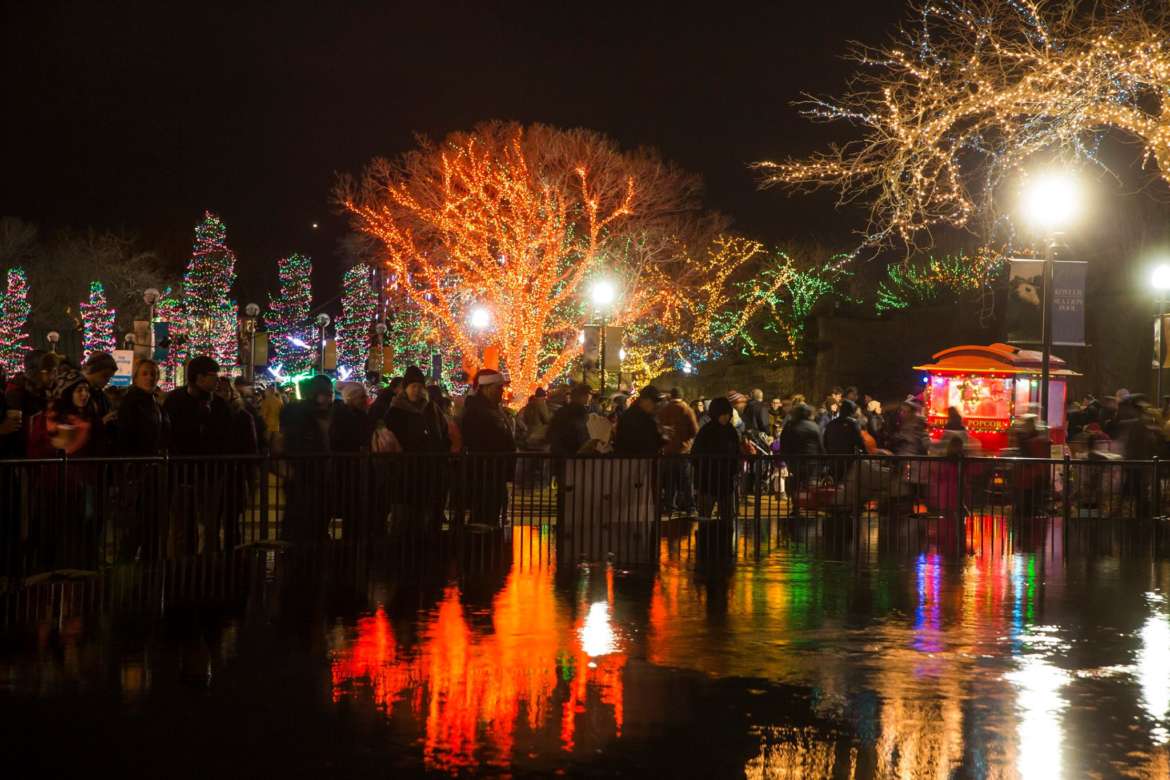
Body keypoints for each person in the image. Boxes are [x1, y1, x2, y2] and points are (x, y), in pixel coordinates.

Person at [385, 366, 451, 529]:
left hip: (430, 470)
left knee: (426, 516)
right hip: (405, 472)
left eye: (419, 387)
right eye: (412, 386)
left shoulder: (431, 408)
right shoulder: (395, 411)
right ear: (405, 388)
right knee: (405, 517)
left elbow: (442, 432)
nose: (416, 390)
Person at [280, 374, 335, 542]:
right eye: (326, 394)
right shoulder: (301, 414)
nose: (329, 398)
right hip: (305, 471)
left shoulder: (326, 414)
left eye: (330, 394)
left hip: (317, 471)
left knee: (314, 512)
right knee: (302, 512)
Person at [461, 369, 516, 527]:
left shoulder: (493, 409)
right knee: (483, 516)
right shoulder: (476, 411)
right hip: (485, 474)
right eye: (498, 387)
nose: (502, 391)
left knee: (492, 516)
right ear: (486, 388)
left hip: (495, 471)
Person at [164, 356, 233, 456]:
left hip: (212, 466)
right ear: (200, 377)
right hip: (182, 465)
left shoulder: (220, 404)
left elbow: (226, 437)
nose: (218, 380)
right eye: (214, 376)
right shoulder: (175, 401)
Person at [692, 396, 742, 522]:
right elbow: (696, 454)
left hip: (725, 479)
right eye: (723, 414)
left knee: (727, 516)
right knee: (705, 516)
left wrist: (734, 469)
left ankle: (725, 538)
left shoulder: (731, 431)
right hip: (707, 479)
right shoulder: (706, 431)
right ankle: (705, 538)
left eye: (727, 414)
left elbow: (736, 451)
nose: (726, 417)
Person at [658, 387, 700, 513]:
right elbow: (695, 430)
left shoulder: (663, 409)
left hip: (667, 450)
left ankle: (669, 505)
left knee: (670, 481)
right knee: (686, 481)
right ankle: (690, 506)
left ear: (671, 396)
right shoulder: (687, 410)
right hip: (683, 450)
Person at [116, 359, 167, 456]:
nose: (149, 377)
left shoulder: (156, 402)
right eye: (144, 374)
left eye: (153, 374)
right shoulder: (130, 402)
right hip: (138, 460)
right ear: (136, 378)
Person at [779, 402, 823, 498]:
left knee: (796, 483)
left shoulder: (790, 425)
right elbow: (820, 444)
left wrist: (785, 456)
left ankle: (796, 507)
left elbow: (784, 441)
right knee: (810, 484)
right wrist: (823, 457)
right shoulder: (814, 426)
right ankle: (809, 506)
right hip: (812, 460)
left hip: (794, 460)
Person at [614, 386, 665, 456]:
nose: (656, 404)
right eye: (654, 401)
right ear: (643, 400)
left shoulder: (645, 416)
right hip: (634, 462)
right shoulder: (634, 418)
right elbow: (646, 442)